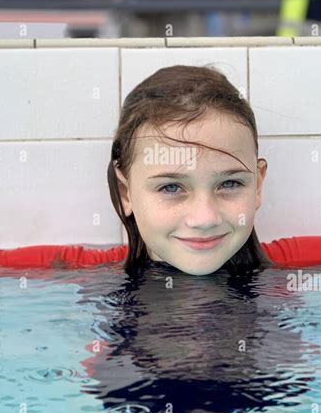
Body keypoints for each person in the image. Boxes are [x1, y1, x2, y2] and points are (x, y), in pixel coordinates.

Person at [107, 64, 273, 277]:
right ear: (125, 192)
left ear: (257, 186)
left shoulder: (311, 267)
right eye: (171, 187)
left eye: (230, 183)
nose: (205, 219)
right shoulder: (71, 271)